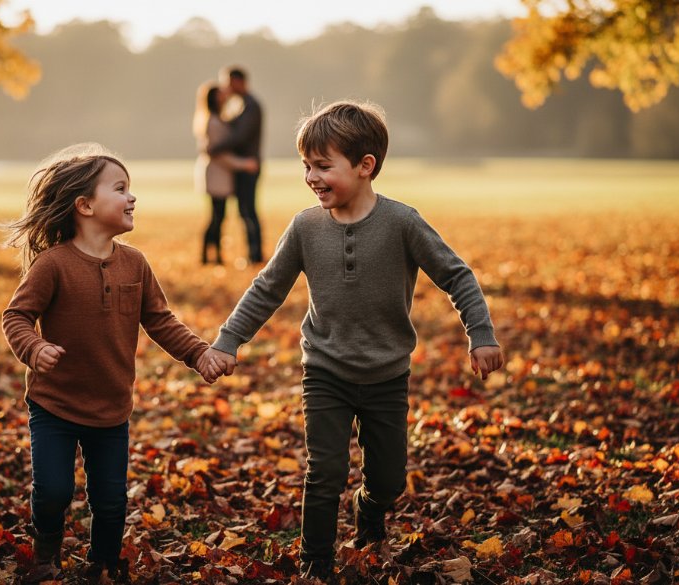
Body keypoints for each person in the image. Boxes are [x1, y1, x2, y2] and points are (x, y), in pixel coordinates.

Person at [204, 101, 505, 580]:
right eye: (306, 165)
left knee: (388, 481)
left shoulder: (402, 222)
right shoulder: (305, 227)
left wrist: (481, 334)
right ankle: (315, 563)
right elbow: (267, 288)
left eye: (323, 166)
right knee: (324, 472)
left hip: (387, 375)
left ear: (366, 166)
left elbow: (457, 275)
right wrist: (227, 341)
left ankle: (371, 510)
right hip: (325, 372)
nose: (311, 177)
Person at [0, 143, 227, 583]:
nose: (132, 197)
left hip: (111, 408)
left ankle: (101, 564)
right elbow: (17, 316)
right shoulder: (54, 265)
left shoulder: (135, 264)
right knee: (53, 492)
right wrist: (34, 348)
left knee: (110, 499)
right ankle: (45, 555)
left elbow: (160, 320)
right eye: (120, 188)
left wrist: (199, 353)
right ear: (84, 205)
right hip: (54, 406)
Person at [193, 80, 259, 264]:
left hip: (219, 175)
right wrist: (244, 164)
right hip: (216, 175)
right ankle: (208, 256)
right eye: (221, 94)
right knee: (217, 216)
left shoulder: (218, 118)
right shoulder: (213, 122)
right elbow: (219, 155)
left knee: (218, 216)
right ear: (214, 98)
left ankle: (214, 256)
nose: (225, 96)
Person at [207, 66, 264, 264]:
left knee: (248, 210)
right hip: (242, 166)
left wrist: (215, 147)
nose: (227, 88)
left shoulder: (251, 106)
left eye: (229, 83)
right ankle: (252, 253)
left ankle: (255, 254)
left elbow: (240, 137)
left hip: (249, 166)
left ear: (239, 82)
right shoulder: (241, 105)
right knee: (244, 210)